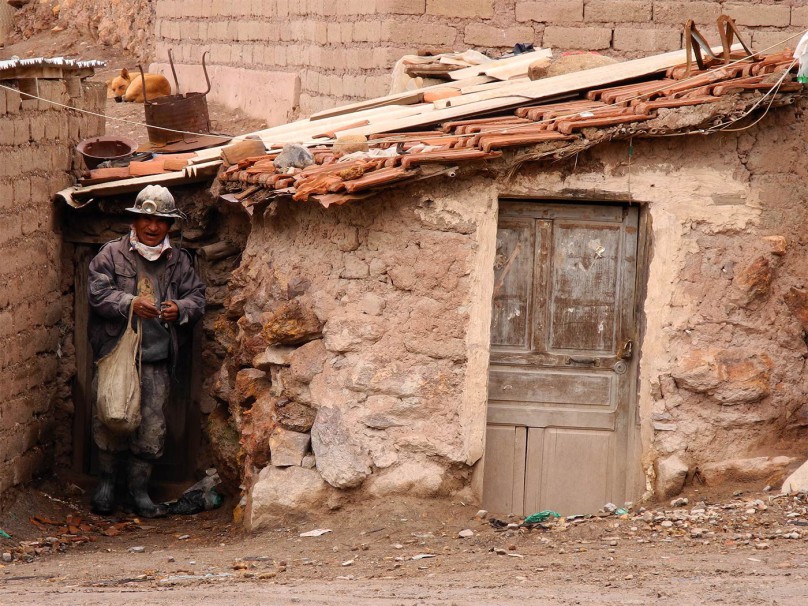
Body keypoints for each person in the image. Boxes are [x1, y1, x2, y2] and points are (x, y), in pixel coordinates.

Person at [87, 185, 205, 518]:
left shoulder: (178, 262)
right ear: (136, 221)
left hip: (156, 360)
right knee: (111, 419)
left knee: (151, 430)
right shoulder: (110, 255)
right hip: (116, 358)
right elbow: (97, 295)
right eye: (147, 219)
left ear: (170, 226)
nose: (153, 227)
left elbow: (197, 298)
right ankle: (107, 486)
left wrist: (179, 308)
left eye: (161, 222)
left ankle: (139, 493)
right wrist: (130, 303)